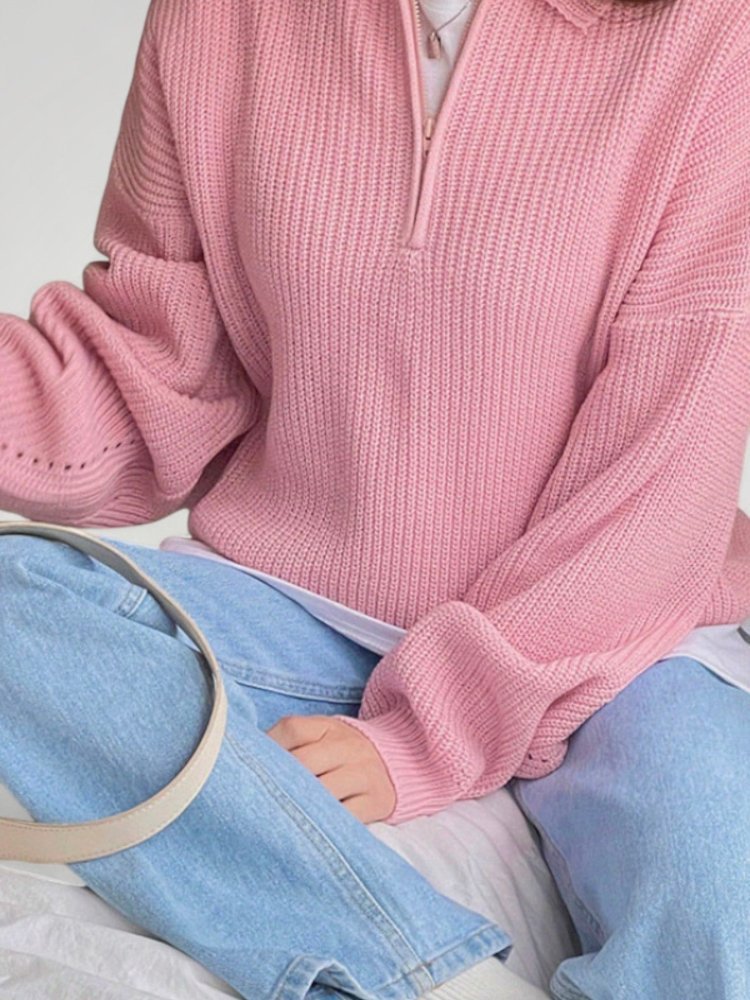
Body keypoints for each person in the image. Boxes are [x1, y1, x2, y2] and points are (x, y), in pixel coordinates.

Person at [1, 0, 749, 997]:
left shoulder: (715, 37)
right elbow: (158, 368)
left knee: (718, 890)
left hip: (618, 638)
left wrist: (425, 739)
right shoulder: (214, 17)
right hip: (294, 608)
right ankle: (425, 977)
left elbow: (658, 485)